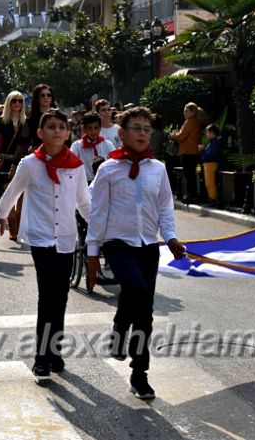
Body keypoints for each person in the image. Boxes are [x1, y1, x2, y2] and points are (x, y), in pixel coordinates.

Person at [86, 106, 186, 400]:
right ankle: (119, 327)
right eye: (136, 128)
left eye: (146, 128)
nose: (142, 133)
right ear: (122, 133)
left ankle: (139, 373)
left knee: (146, 314)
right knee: (135, 287)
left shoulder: (158, 169)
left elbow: (165, 208)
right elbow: (97, 211)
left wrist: (171, 237)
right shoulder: (108, 169)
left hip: (148, 246)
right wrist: (92, 252)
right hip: (117, 243)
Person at [0, 109, 90, 382]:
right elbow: (12, 191)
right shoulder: (30, 164)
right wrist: (3, 215)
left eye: (62, 127)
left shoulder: (76, 165)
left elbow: (84, 203)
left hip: (66, 239)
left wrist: (100, 229)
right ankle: (41, 357)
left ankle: (55, 352)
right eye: (51, 126)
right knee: (47, 294)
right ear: (40, 132)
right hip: (41, 238)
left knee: (60, 296)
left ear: (68, 132)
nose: (57, 131)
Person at [0, 91, 30, 233]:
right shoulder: (2, 121)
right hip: (5, 160)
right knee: (7, 191)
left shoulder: (26, 122)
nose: (17, 103)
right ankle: (12, 226)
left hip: (22, 161)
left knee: (21, 193)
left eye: (20, 101)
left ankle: (17, 219)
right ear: (9, 103)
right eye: (14, 101)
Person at [171, 102, 205, 204]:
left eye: (186, 111)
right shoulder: (197, 122)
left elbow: (181, 136)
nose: (184, 113)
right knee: (192, 174)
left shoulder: (190, 122)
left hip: (188, 151)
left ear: (192, 112)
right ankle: (193, 195)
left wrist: (174, 135)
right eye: (184, 111)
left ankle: (191, 196)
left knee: (189, 174)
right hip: (193, 151)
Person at [70, 111, 115, 183]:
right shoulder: (77, 146)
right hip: (85, 183)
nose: (93, 131)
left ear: (100, 128)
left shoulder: (108, 145)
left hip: (105, 182)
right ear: (84, 129)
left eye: (96, 128)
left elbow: (114, 164)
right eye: (89, 128)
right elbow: (72, 166)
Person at [27, 84, 56, 149]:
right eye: (42, 95)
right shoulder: (31, 118)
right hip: (38, 151)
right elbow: (25, 140)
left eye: (49, 95)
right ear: (37, 98)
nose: (46, 97)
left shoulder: (58, 116)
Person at [200, 124, 222, 204]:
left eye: (207, 132)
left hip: (211, 164)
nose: (206, 134)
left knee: (210, 183)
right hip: (208, 164)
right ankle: (211, 198)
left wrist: (202, 150)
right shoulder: (211, 143)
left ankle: (213, 199)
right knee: (208, 183)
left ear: (212, 132)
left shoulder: (214, 143)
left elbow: (209, 155)